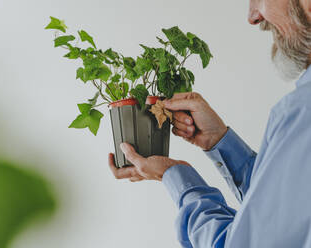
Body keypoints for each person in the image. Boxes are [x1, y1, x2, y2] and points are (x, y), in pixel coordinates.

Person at [108, 0, 311, 247]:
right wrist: (218, 141)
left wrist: (175, 176)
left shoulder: (301, 112)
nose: (253, 16)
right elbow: (285, 208)